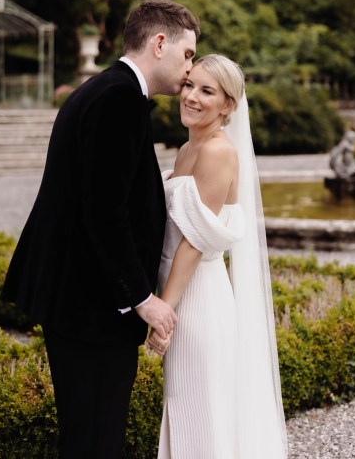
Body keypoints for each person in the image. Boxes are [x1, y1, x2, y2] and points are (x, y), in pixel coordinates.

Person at [1, 0, 200, 458]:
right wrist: (142, 299)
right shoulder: (118, 99)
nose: (189, 69)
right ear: (159, 42)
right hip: (91, 304)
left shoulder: (104, 89)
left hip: (79, 297)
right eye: (187, 54)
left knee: (88, 431)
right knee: (95, 437)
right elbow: (105, 213)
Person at [147, 54, 288, 458]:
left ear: (228, 105)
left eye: (206, 91)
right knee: (186, 406)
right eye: (190, 84)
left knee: (201, 408)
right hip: (179, 289)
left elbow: (193, 242)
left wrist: (164, 313)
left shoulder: (217, 152)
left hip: (198, 300)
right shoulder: (189, 147)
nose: (190, 96)